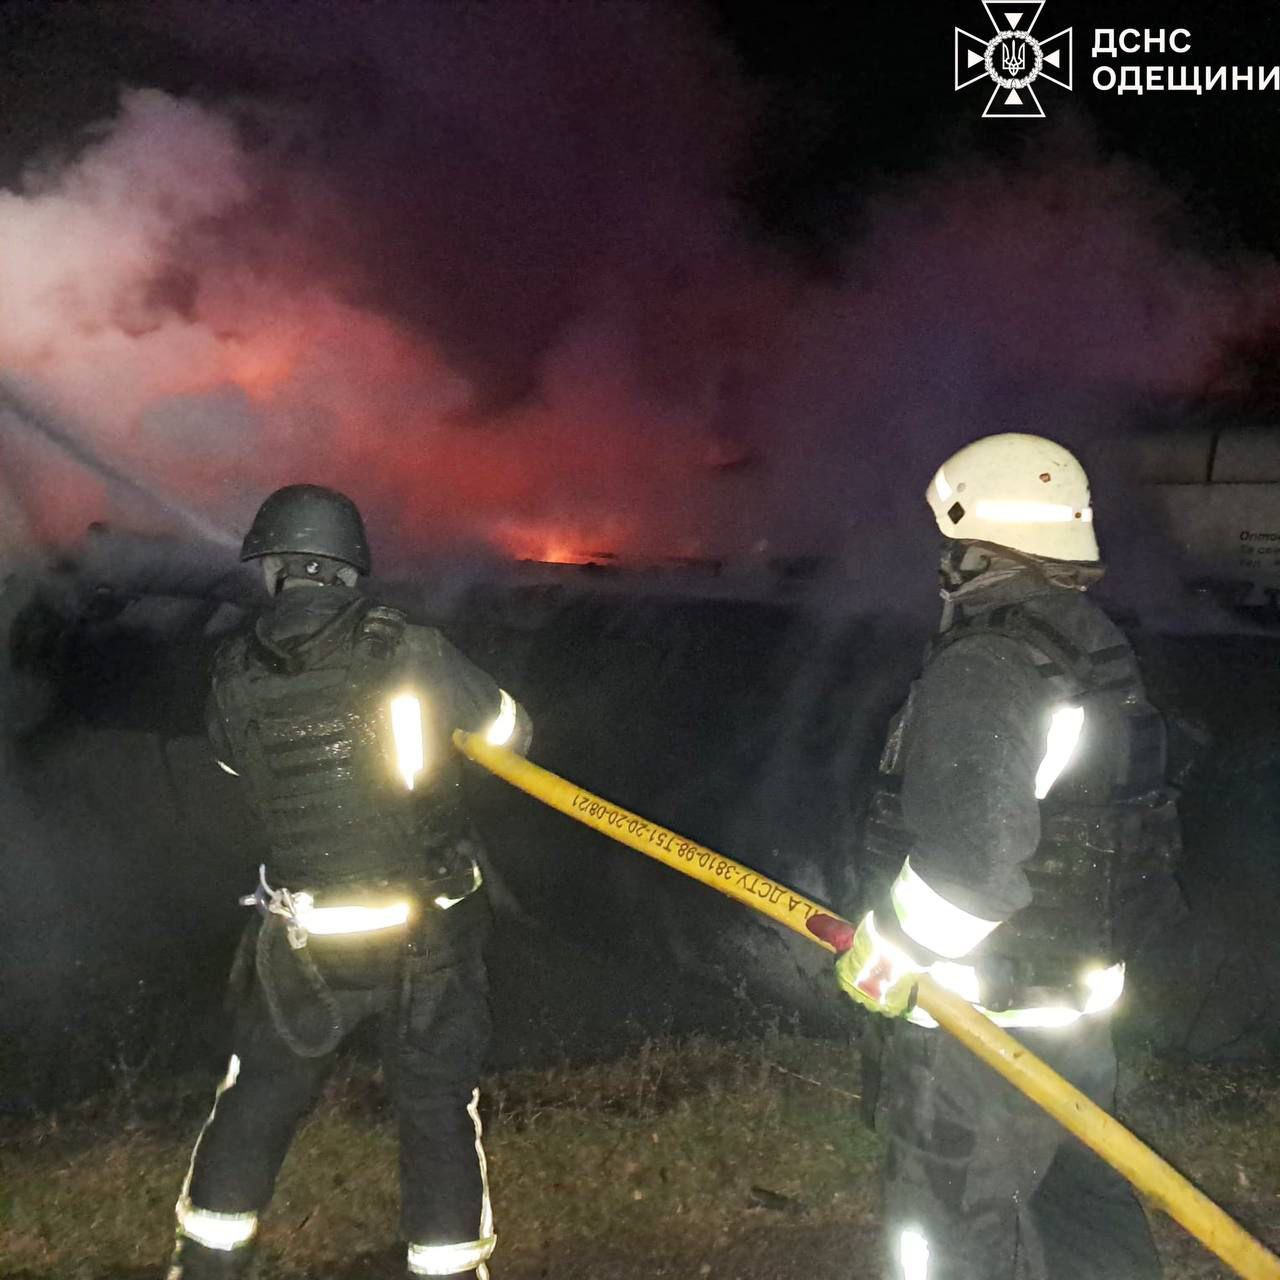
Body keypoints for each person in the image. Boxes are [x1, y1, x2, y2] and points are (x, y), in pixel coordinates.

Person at [837, 434, 1184, 1280]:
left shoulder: (988, 663)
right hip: (1072, 1019)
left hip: (979, 1031)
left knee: (949, 1243)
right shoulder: (1089, 646)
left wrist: (889, 953)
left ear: (973, 540)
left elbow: (977, 868)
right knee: (1080, 1218)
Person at [167, 484, 530, 1280]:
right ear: (350, 566)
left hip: (305, 936)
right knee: (436, 1105)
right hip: (427, 931)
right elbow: (510, 732)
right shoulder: (413, 648)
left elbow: (232, 761)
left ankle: (206, 1264)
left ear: (274, 568)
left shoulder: (233, 670)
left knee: (258, 1092)